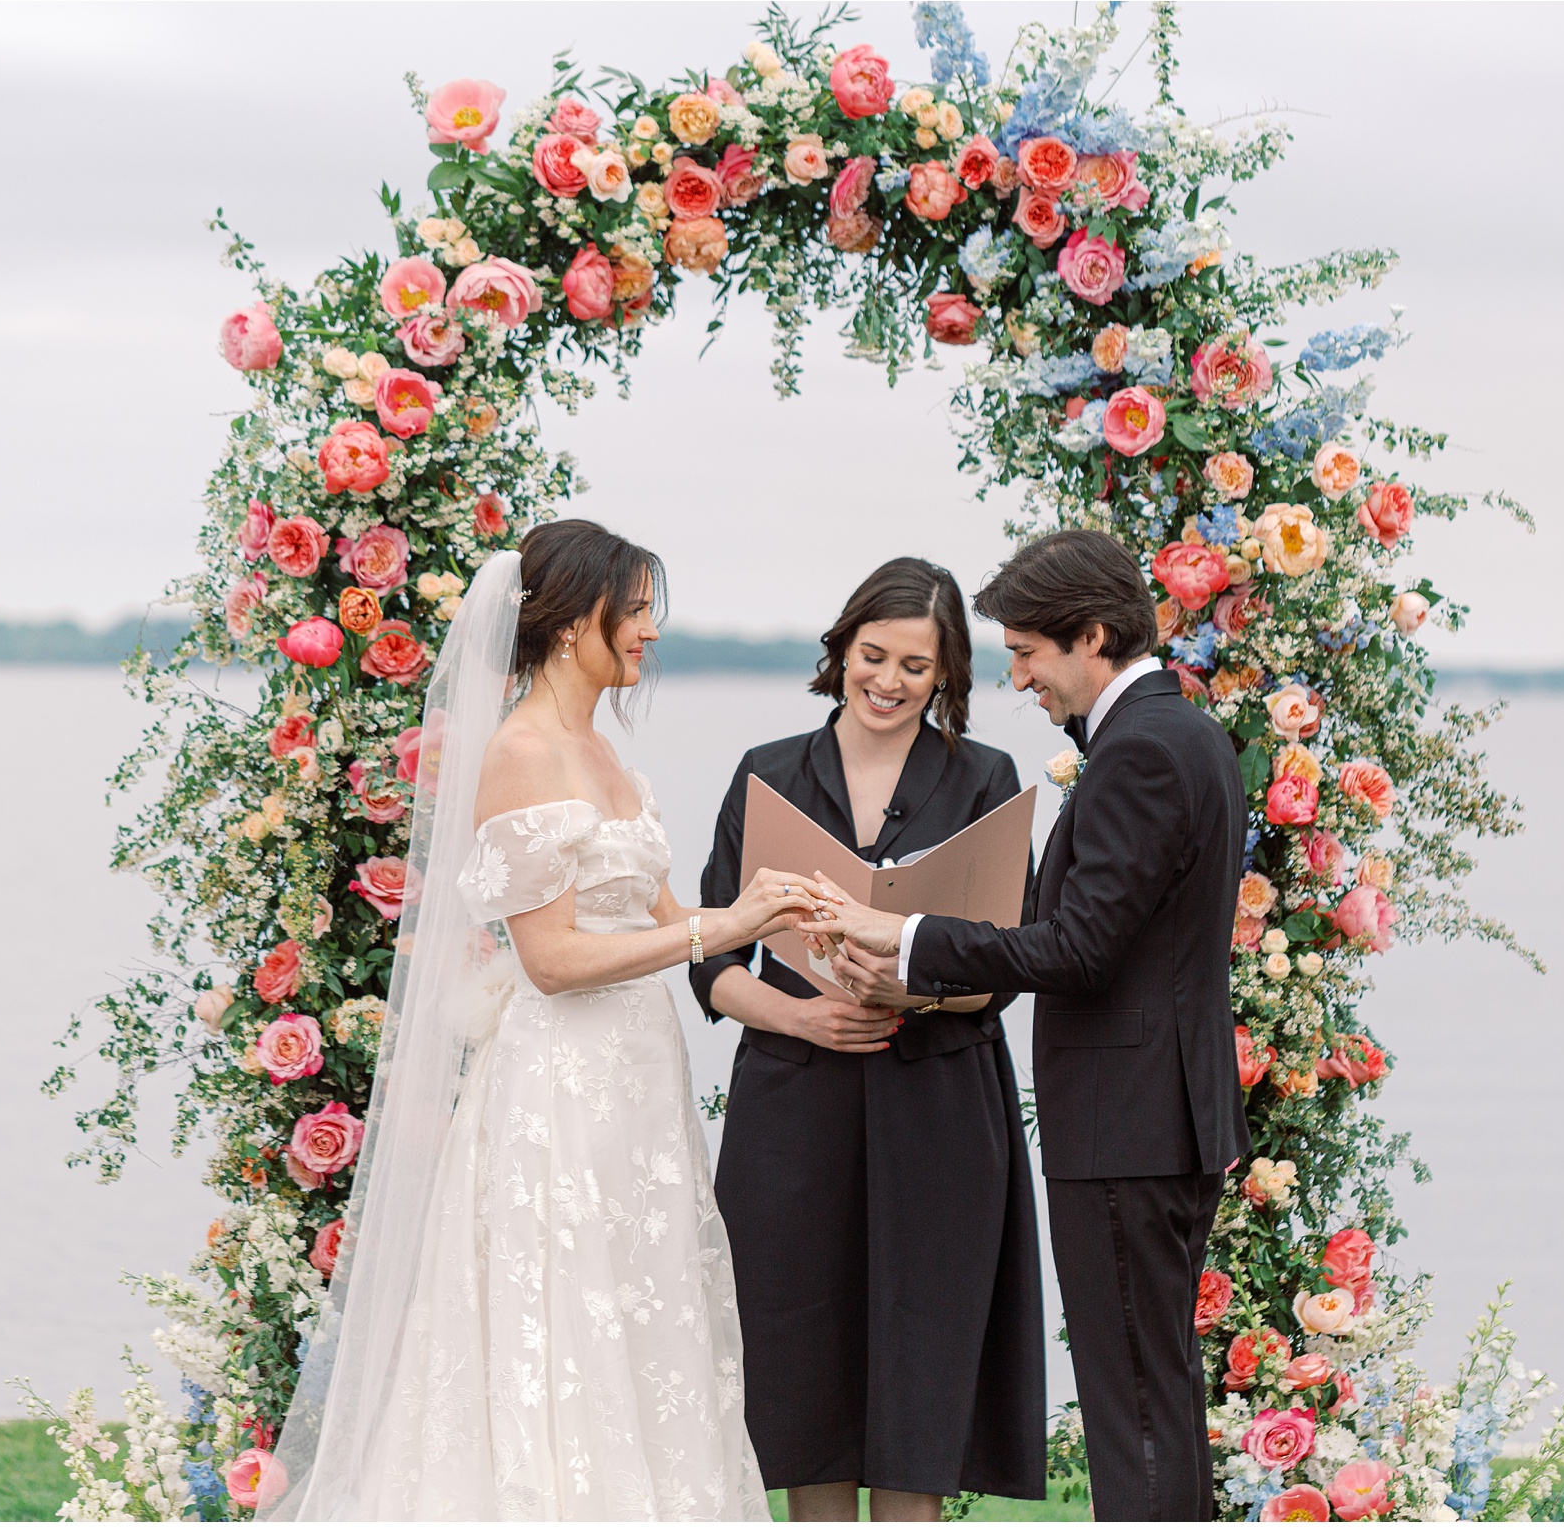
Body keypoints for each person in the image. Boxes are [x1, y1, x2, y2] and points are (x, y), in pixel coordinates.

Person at [267, 521, 825, 1521]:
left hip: (635, 1083)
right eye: (637, 607)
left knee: (643, 1314)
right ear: (574, 623)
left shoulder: (603, 751)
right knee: (560, 1324)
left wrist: (766, 907)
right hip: (558, 1082)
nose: (651, 629)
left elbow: (657, 920)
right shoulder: (521, 752)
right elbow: (553, 958)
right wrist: (718, 932)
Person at [808, 529, 1251, 1523]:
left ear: (1090, 636)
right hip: (1161, 1115)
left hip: (1127, 1122)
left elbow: (1077, 948)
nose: (1016, 677)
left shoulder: (1139, 749)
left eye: (1026, 652)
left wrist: (910, 933)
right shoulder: (1184, 734)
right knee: (1156, 1390)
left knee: (1130, 1404)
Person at [690, 558, 1046, 1522]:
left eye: (916, 666)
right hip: (794, 1103)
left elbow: (1012, 961)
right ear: (840, 650)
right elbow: (709, 961)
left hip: (936, 1104)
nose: (888, 681)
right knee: (803, 1373)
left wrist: (916, 990)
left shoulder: (988, 779)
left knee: (921, 1366)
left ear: (948, 677)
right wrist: (802, 1013)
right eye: (872, 655)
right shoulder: (766, 773)